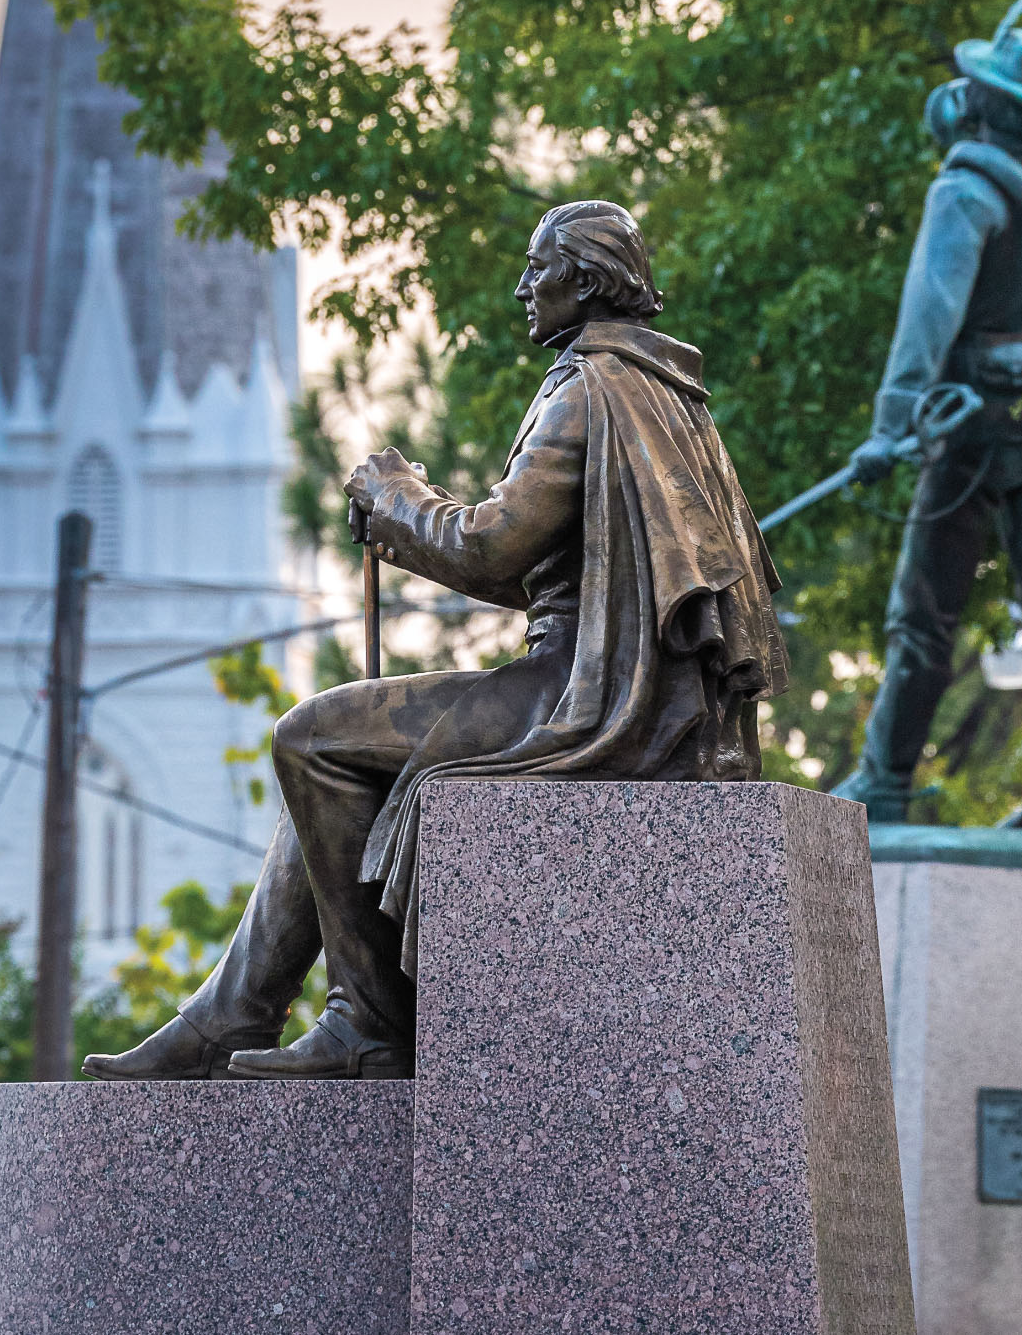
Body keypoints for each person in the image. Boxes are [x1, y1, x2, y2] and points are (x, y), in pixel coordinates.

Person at [85, 198, 788, 1082]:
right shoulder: (657, 389)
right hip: (609, 679)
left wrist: (398, 496)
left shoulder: (590, 388)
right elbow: (525, 571)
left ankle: (358, 1020)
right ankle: (234, 1014)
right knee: (340, 748)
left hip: (585, 692)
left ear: (586, 277)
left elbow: (494, 543)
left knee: (313, 737)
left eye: (540, 268)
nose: (523, 286)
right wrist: (407, 522)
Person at [832, 0, 1022, 832]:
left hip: (967, 423)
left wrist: (890, 425)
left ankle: (885, 782)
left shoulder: (965, 192)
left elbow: (927, 318)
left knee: (924, 615)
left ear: (984, 102)